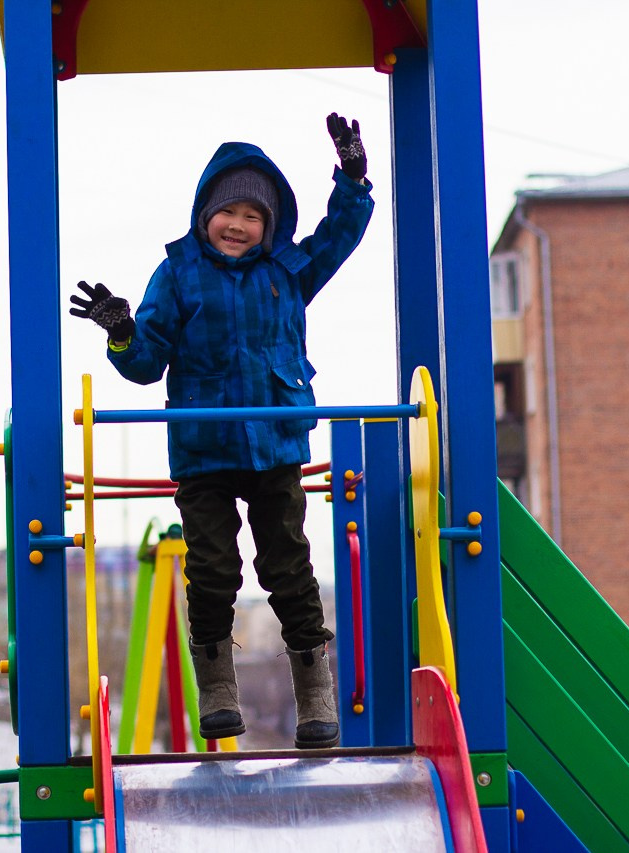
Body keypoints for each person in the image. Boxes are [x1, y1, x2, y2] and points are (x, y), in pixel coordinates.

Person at [69, 113, 373, 750]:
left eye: (254, 217)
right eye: (228, 212)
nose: (239, 225)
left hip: (275, 444)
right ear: (205, 213)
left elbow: (339, 235)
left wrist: (352, 177)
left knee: (289, 570)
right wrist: (122, 331)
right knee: (212, 570)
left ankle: (316, 700)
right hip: (205, 450)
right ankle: (217, 692)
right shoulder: (179, 274)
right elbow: (147, 362)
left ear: (270, 225)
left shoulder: (287, 271)